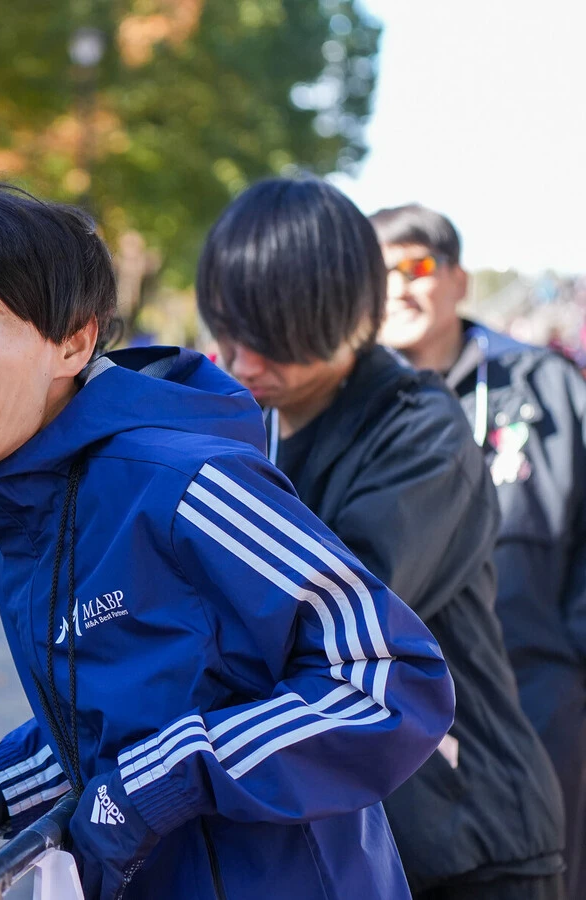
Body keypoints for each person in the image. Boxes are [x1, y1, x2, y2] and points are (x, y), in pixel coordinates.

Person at [0, 184, 455, 899]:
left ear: (74, 342)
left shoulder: (185, 482)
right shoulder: (19, 508)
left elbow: (392, 678)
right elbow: (121, 716)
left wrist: (157, 784)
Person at [197, 178, 565, 899]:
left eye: (272, 338)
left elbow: (318, 624)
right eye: (229, 331)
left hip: (469, 840)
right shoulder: (247, 422)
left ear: (351, 315)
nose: (243, 362)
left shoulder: (421, 431)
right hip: (353, 840)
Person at [371, 203, 586, 896]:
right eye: (380, 272)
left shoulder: (544, 386)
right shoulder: (348, 404)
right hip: (399, 722)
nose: (398, 287)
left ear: (459, 281)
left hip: (539, 707)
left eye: (418, 267)